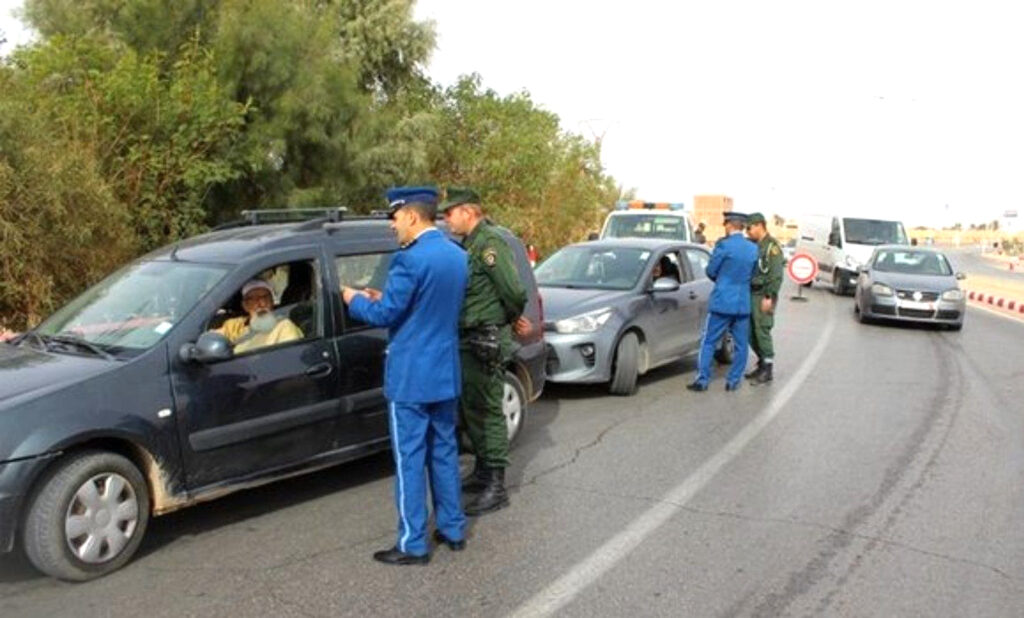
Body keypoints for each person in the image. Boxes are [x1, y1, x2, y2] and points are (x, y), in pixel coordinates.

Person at [341, 186, 468, 566]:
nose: (392, 225)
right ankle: (453, 529)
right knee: (444, 452)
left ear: (412, 216)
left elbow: (384, 316)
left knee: (410, 460)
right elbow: (426, 307)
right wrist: (385, 297)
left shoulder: (408, 260)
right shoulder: (457, 255)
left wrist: (353, 299)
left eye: (395, 218)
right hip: (444, 372)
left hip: (411, 377)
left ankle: (413, 544)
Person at [440, 187, 528, 516]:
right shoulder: (470, 244)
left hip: (486, 337)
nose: (447, 220)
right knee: (472, 408)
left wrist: (510, 318)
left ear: (468, 211)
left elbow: (513, 291)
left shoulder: (490, 243)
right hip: (470, 337)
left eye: (450, 213)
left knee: (489, 409)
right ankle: (482, 470)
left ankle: (496, 486)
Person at [687, 212, 759, 392]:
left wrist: (722, 281)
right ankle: (733, 381)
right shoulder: (752, 248)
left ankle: (702, 380)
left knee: (709, 341)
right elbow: (754, 274)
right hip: (742, 304)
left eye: (725, 224)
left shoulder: (723, 245)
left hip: (722, 302)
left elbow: (711, 271)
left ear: (729, 225)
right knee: (741, 345)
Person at [744, 212, 785, 384]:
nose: (747, 232)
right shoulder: (755, 245)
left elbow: (776, 275)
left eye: (750, 228)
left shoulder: (771, 247)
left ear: (759, 225)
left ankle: (767, 368)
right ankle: (761, 362)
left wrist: (769, 296)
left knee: (762, 330)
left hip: (764, 294)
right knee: (749, 331)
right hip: (751, 293)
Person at [213, 279, 303, 354]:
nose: (262, 304)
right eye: (254, 300)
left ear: (272, 302)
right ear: (245, 305)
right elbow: (210, 340)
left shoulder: (284, 327)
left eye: (265, 298)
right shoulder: (234, 325)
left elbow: (289, 358)